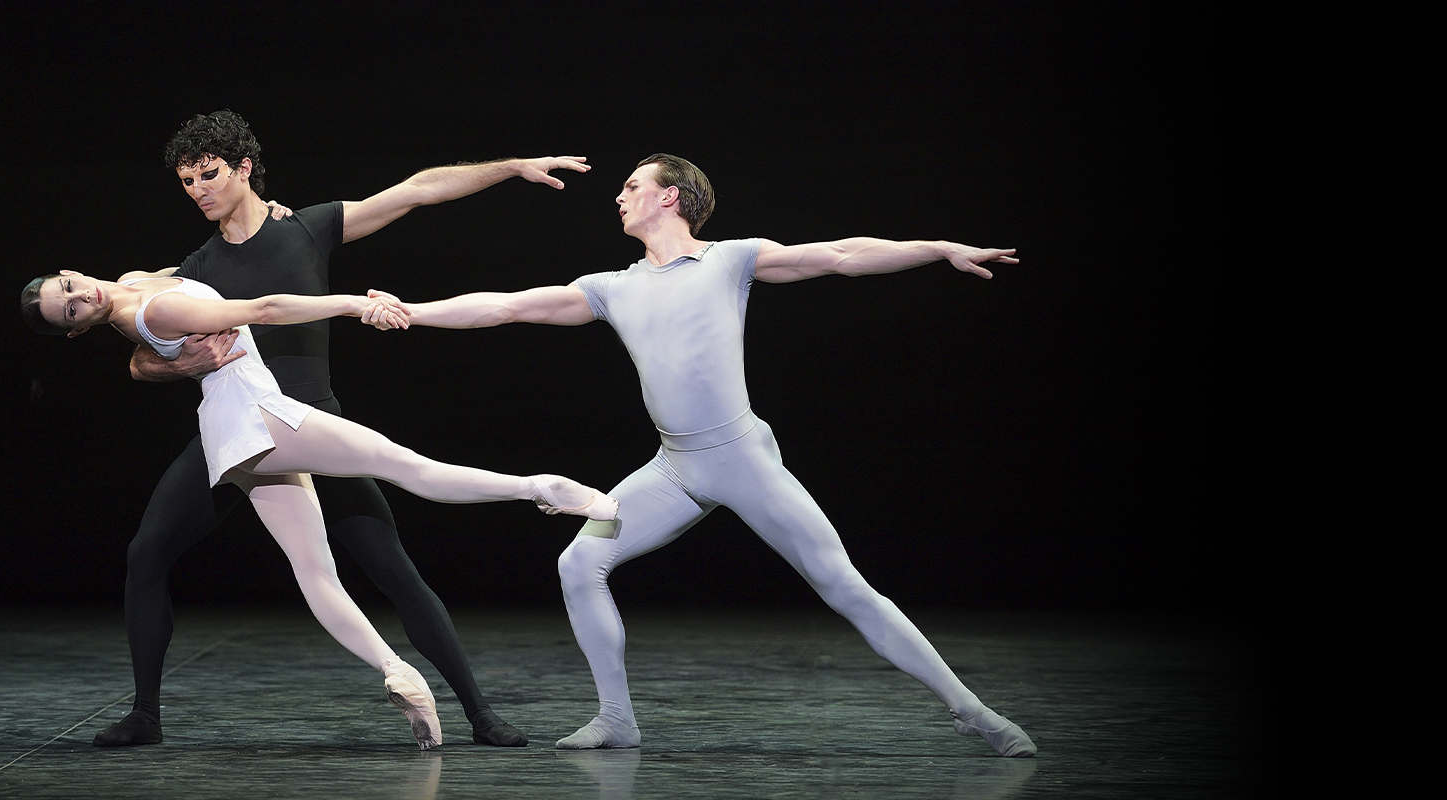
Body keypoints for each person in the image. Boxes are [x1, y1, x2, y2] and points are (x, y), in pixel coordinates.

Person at [367, 154, 1039, 757]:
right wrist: (413, 312)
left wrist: (938, 248)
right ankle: (616, 718)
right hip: (674, 468)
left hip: (742, 458)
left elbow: (837, 254)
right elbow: (505, 308)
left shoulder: (730, 260)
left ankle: (971, 711)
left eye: (633, 186)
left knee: (844, 587)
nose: (620, 196)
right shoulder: (611, 287)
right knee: (579, 562)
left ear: (671, 198)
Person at [104, 110, 594, 748]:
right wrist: (164, 367)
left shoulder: (305, 228)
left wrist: (509, 168)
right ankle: (145, 715)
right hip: (240, 433)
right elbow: (132, 328)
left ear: (244, 168)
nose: (199, 190)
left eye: (210, 174)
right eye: (188, 182)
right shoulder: (195, 267)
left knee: (391, 568)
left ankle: (478, 713)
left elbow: (416, 190)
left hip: (314, 423)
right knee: (146, 555)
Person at [21, 269, 616, 749]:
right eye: (69, 309)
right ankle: (538, 488)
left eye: (68, 287)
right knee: (408, 467)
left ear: (73, 273)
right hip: (259, 414)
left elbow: (151, 340)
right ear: (76, 329)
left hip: (233, 436)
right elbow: (266, 309)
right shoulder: (151, 311)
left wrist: (158, 362)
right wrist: (356, 305)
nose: (80, 296)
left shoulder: (135, 281)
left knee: (315, 568)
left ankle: (396, 670)